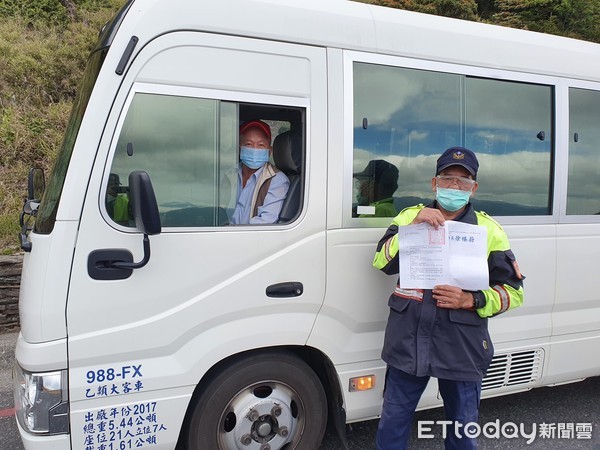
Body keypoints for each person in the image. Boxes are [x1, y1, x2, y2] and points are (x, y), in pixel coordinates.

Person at [373, 147, 524, 449]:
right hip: (408, 342)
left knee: (463, 431)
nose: (454, 186)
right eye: (448, 178)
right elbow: (380, 261)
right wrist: (411, 228)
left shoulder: (488, 230)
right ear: (434, 182)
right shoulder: (409, 216)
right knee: (392, 424)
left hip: (461, 346)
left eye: (463, 181)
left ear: (473, 188)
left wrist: (471, 300)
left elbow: (512, 294)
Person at [230, 120, 290, 224]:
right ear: (239, 148)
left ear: (269, 151)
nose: (254, 149)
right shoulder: (230, 173)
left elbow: (265, 222)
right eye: (248, 144)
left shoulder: (276, 180)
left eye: (261, 145)